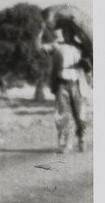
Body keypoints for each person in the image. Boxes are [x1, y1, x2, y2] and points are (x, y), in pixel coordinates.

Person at [35, 23, 88, 153]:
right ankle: (64, 144)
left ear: (73, 33)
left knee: (80, 115)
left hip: (77, 84)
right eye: (64, 32)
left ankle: (81, 138)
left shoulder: (81, 47)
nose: (66, 34)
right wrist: (40, 31)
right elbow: (38, 48)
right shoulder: (56, 46)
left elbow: (91, 59)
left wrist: (85, 63)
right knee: (63, 115)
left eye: (68, 31)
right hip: (61, 84)